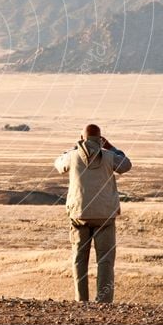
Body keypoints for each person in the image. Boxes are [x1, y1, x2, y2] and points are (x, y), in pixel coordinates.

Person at [54, 123, 132, 303]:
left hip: (79, 214)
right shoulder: (110, 156)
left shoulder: (72, 157)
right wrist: (111, 147)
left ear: (82, 138)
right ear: (101, 139)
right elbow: (126, 165)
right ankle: (104, 302)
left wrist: (74, 148)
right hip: (105, 215)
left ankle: (81, 300)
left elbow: (58, 164)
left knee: (79, 259)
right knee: (105, 261)